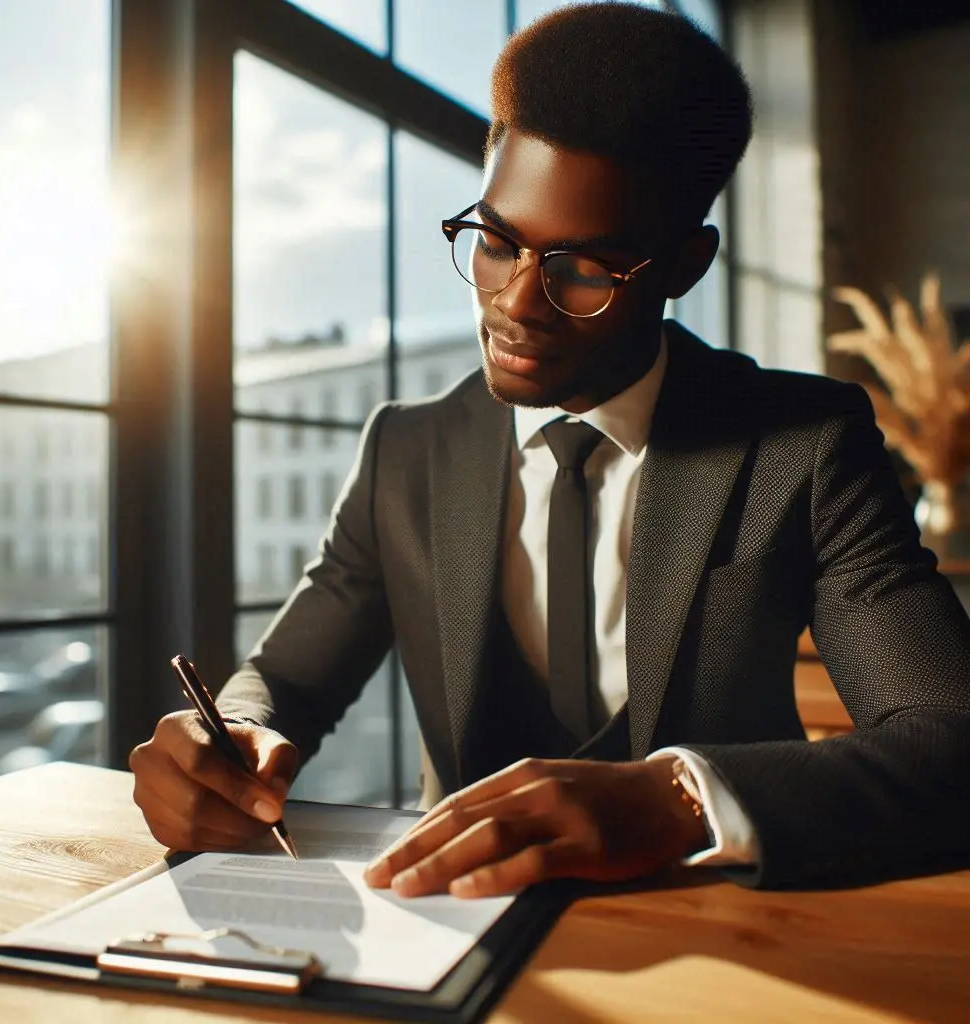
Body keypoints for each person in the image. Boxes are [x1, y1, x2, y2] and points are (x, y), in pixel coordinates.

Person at [129, 2, 970, 895]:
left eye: (583, 270)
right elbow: (282, 679)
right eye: (496, 241)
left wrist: (679, 801)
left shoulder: (805, 445)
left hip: (719, 938)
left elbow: (953, 738)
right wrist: (230, 739)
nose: (516, 304)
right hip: (441, 926)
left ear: (685, 265)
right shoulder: (404, 453)